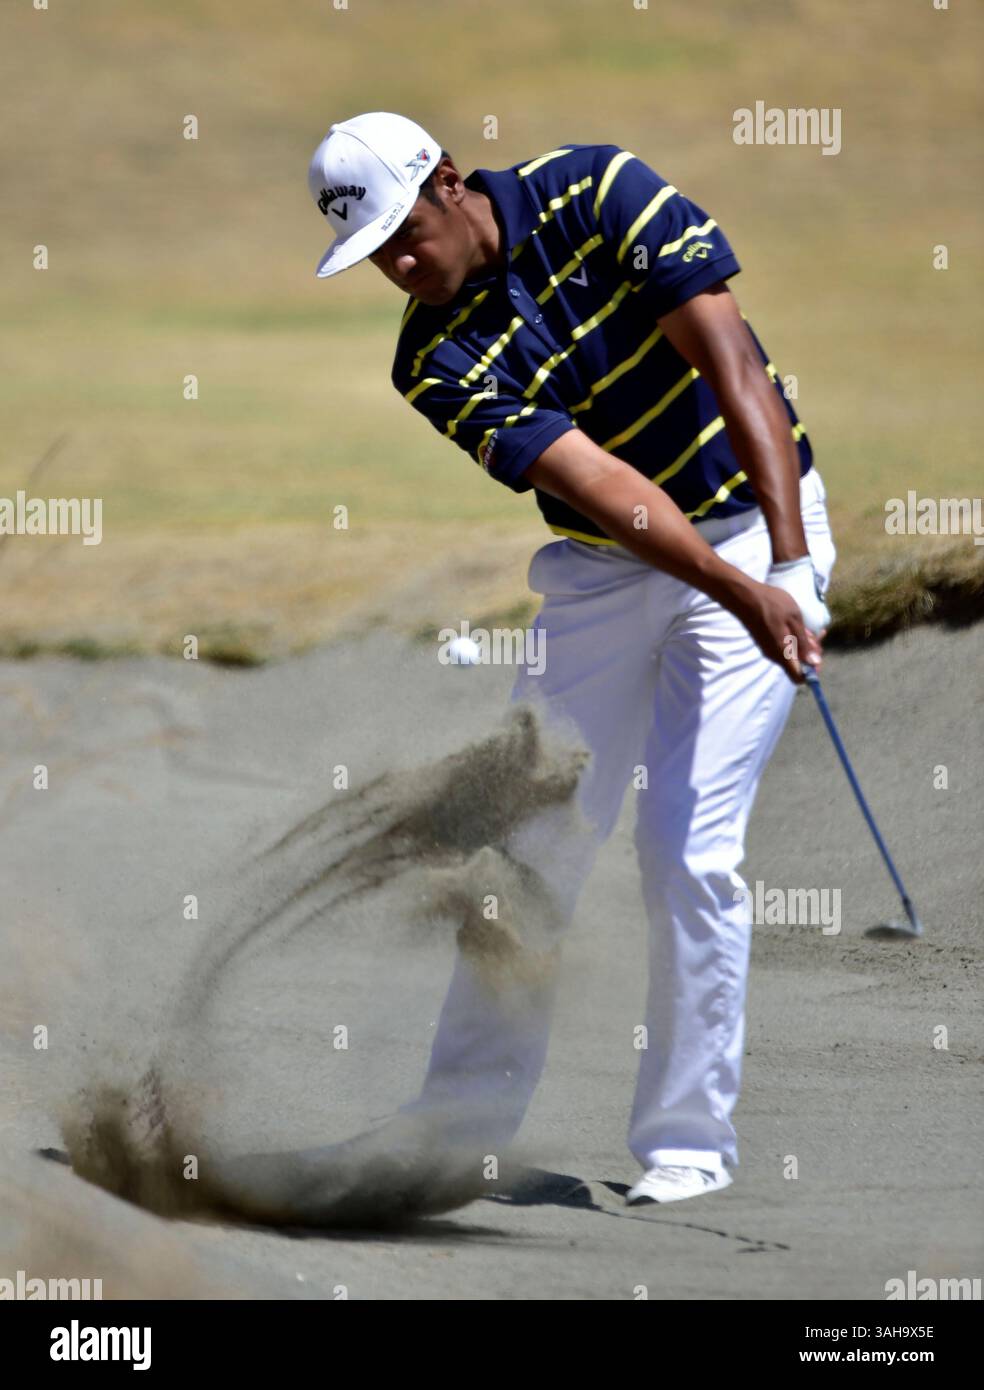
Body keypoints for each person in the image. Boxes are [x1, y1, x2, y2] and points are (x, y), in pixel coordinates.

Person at [307, 112, 836, 1205]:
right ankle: (459, 1126)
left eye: (406, 236)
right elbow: (608, 491)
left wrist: (784, 567)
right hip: (609, 568)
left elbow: (733, 359)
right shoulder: (435, 361)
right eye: (376, 261)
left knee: (687, 842)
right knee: (530, 840)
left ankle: (686, 1148)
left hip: (749, 522)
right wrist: (738, 594)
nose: (402, 269)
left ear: (449, 183)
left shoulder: (598, 192)